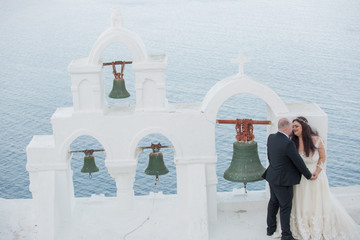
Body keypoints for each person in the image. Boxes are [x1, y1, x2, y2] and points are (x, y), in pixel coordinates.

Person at [290, 116, 359, 240]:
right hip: (300, 179)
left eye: (296, 126)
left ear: (303, 127)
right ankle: (302, 225)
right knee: (302, 203)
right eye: (293, 126)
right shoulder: (292, 141)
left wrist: (317, 172)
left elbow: (322, 158)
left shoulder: (316, 140)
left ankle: (316, 226)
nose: (293, 128)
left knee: (315, 203)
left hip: (316, 178)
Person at [262, 118, 313, 240]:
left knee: (273, 202)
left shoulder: (271, 137)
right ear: (286, 128)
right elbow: (298, 162)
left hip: (272, 176)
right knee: (285, 207)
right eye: (291, 127)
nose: (292, 129)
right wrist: (309, 175)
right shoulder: (288, 143)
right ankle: (286, 235)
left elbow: (270, 156)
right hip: (283, 181)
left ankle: (270, 229)